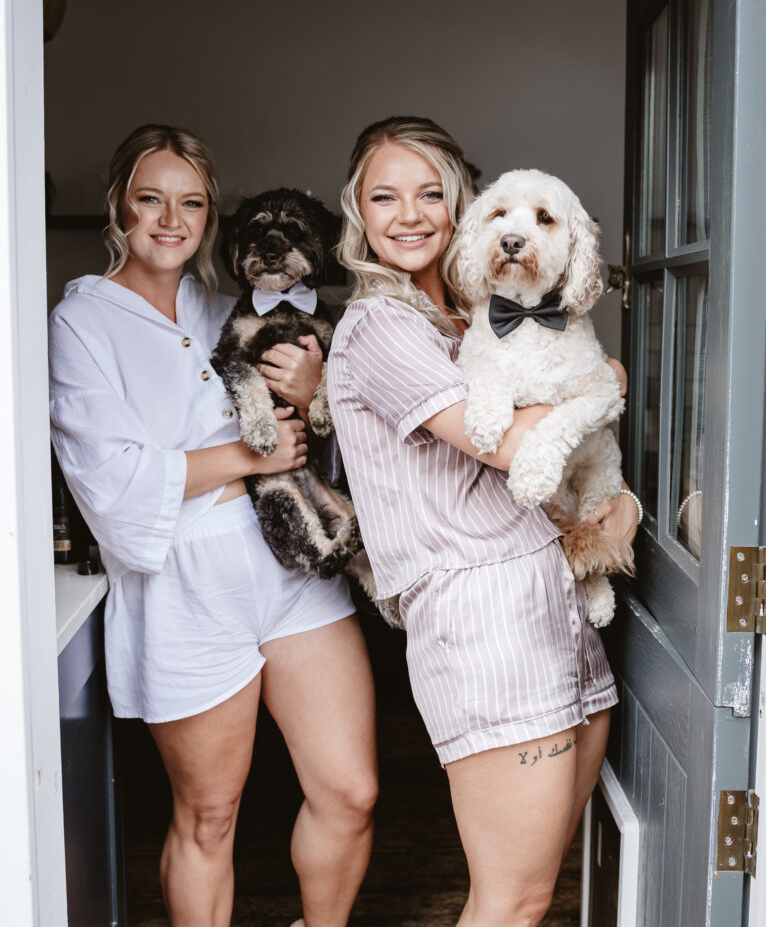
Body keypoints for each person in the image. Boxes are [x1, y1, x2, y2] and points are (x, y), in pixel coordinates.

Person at [48, 124, 377, 927]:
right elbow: (112, 482)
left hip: (288, 569)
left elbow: (323, 424)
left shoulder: (230, 306)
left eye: (191, 202)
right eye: (150, 200)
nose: (171, 219)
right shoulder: (81, 324)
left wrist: (312, 384)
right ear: (118, 208)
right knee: (209, 818)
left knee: (351, 790)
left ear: (211, 216)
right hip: (185, 586)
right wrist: (243, 457)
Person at [327, 116, 639, 927]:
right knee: (513, 902)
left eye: (430, 193)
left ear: (463, 207)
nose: (409, 213)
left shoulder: (466, 320)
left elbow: (570, 454)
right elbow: (505, 445)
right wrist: (598, 380)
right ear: (358, 211)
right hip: (485, 620)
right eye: (384, 195)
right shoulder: (380, 326)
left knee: (533, 894)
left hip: (551, 601)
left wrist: (622, 501)